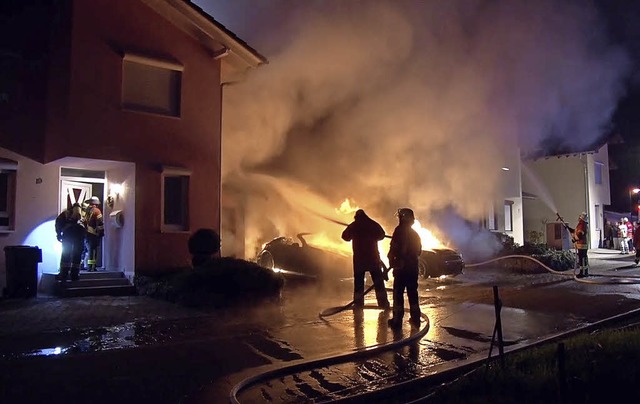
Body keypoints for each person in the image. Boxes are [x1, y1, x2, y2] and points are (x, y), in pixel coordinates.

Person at [341, 209, 390, 310]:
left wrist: (353, 230)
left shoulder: (354, 225)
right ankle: (383, 304)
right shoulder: (372, 224)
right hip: (373, 259)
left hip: (360, 260)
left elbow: (345, 237)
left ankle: (358, 305)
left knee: (359, 284)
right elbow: (381, 235)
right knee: (378, 283)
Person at [387, 208, 422, 328]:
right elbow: (419, 251)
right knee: (412, 293)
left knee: (398, 294)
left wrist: (392, 260)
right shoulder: (415, 234)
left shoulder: (399, 231)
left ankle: (397, 321)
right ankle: (416, 318)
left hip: (401, 270)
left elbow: (393, 249)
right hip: (413, 269)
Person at [55, 203, 86, 281]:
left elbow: (58, 223)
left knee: (66, 255)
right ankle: (74, 275)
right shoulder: (83, 215)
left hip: (68, 237)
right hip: (78, 238)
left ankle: (64, 274)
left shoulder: (65, 214)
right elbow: (86, 227)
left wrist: (59, 234)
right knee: (77, 257)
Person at [83, 196, 104, 271]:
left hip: (86, 233)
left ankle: (89, 266)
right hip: (94, 234)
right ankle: (92, 266)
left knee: (89, 250)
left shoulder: (87, 211)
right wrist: (101, 233)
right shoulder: (97, 211)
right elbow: (100, 223)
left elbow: (84, 221)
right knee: (94, 251)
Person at [569, 212, 589, 278]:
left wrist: (575, 240)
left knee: (582, 259)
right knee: (583, 258)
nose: (578, 217)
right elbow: (576, 231)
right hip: (582, 244)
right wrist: (568, 228)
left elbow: (580, 234)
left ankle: (582, 273)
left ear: (581, 218)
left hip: (582, 244)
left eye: (580, 217)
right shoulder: (582, 224)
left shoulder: (582, 224)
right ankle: (585, 272)